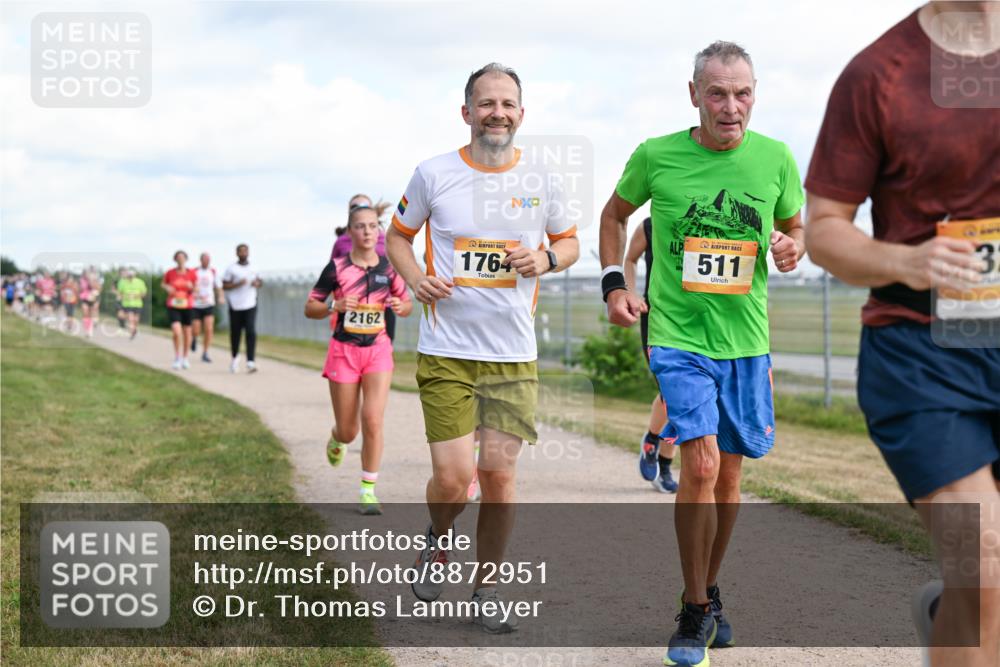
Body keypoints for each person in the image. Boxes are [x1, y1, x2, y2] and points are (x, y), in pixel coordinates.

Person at [804, 4, 1000, 665]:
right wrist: (909, 260)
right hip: (924, 352)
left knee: (984, 601)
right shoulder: (879, 74)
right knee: (987, 569)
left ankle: (952, 616)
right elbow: (824, 227)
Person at [600, 41, 804, 666]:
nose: (731, 106)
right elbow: (613, 215)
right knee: (703, 466)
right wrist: (616, 283)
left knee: (731, 478)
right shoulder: (657, 155)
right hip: (679, 338)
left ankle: (709, 593)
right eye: (717, 93)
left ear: (755, 95)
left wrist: (793, 246)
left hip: (746, 343)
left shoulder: (775, 159)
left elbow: (797, 228)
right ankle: (692, 612)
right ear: (694, 95)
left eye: (742, 93)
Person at [386, 62, 579, 633]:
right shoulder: (433, 173)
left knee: (498, 477)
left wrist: (544, 259)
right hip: (446, 350)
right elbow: (399, 236)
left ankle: (487, 586)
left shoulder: (542, 179)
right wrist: (417, 276)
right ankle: (439, 538)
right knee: (451, 478)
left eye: (508, 104)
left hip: (513, 355)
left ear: (521, 113)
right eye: (486, 103)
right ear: (466, 112)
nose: (498, 113)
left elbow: (568, 244)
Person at [306, 204, 413, 515]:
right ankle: (337, 438)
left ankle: (368, 491)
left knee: (374, 420)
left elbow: (406, 305)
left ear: (378, 230)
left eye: (372, 226)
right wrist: (333, 306)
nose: (367, 231)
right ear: (350, 231)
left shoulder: (389, 268)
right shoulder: (337, 269)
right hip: (344, 351)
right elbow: (310, 307)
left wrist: (399, 305)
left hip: (378, 349)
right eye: (360, 226)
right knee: (349, 429)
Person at [624, 217, 678, 493]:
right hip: (657, 318)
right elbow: (629, 259)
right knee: (673, 392)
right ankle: (655, 449)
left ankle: (658, 448)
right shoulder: (650, 225)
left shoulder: (708, 221)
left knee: (683, 396)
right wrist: (631, 293)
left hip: (698, 320)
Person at [223, 243, 262, 373]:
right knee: (236, 333)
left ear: (248, 253)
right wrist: (237, 284)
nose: (243, 253)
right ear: (237, 253)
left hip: (250, 303)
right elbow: (225, 285)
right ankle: (235, 358)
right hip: (235, 305)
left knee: (251, 331)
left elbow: (260, 282)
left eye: (245, 251)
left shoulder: (254, 267)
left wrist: (257, 283)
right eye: (241, 251)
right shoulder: (231, 269)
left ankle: (250, 361)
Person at [163, 251, 197, 370]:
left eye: (182, 258)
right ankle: (177, 357)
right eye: (178, 258)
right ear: (175, 260)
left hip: (187, 305)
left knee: (187, 332)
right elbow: (163, 284)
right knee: (177, 331)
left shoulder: (192, 273)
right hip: (173, 305)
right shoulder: (170, 273)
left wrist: (191, 287)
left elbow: (196, 289)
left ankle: (185, 357)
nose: (180, 260)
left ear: (186, 259)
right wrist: (168, 288)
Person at [191, 252, 223, 363]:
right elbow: (189, 285)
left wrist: (221, 297)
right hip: (196, 304)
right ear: (201, 260)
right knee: (196, 329)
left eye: (208, 260)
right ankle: (194, 338)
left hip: (209, 303)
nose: (206, 261)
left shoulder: (213, 272)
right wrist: (194, 292)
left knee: (209, 329)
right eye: (204, 259)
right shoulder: (194, 272)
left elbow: (219, 287)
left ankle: (205, 353)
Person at [116, 268, 146, 339]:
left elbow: (144, 293)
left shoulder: (140, 282)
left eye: (132, 275)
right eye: (129, 275)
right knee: (130, 318)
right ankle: (132, 332)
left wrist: (136, 296)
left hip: (138, 304)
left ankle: (134, 329)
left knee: (136, 319)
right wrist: (125, 296)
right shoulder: (122, 282)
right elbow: (119, 293)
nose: (130, 276)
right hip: (127, 304)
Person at [79, 267, 103, 338]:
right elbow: (81, 289)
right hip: (85, 298)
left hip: (94, 297)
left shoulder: (96, 280)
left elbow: (99, 289)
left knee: (94, 310)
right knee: (86, 313)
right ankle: (88, 331)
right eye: (88, 274)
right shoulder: (82, 281)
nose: (89, 275)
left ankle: (95, 321)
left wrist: (93, 283)